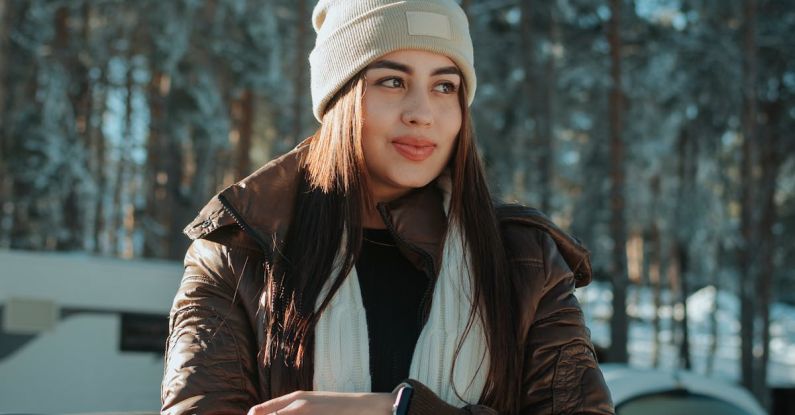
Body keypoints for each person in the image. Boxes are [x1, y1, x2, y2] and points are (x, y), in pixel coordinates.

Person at [160, 0, 614, 414]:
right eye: (392, 81)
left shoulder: (526, 259)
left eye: (444, 86)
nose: (422, 112)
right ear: (340, 97)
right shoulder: (238, 248)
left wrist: (398, 411)